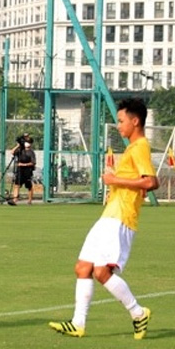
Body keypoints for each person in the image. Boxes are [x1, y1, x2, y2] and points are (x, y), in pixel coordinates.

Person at [49, 98, 159, 340]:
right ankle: (78, 323)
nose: (118, 126)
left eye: (121, 121)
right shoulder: (132, 148)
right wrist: (116, 180)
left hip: (120, 218)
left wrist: (115, 181)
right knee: (83, 267)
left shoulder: (140, 146)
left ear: (135, 120)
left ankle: (138, 312)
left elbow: (151, 181)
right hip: (109, 216)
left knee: (101, 272)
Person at [9, 133, 36, 205]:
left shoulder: (31, 152)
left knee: (29, 186)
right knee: (17, 184)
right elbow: (12, 152)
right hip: (19, 170)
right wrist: (17, 146)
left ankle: (29, 201)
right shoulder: (20, 150)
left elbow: (33, 163)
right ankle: (15, 199)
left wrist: (24, 164)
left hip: (27, 171)